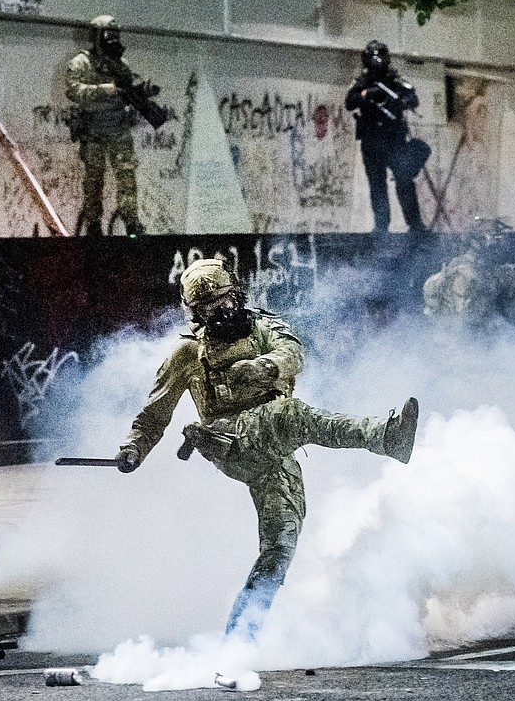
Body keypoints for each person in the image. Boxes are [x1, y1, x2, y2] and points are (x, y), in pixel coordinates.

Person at [115, 259, 418, 639]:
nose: (220, 310)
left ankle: (241, 634)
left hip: (271, 448)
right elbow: (155, 411)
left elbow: (292, 354)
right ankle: (384, 436)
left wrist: (262, 368)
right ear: (195, 312)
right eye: (208, 307)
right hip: (230, 440)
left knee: (281, 542)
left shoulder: (265, 326)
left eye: (224, 299)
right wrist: (134, 448)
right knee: (292, 415)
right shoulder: (188, 354)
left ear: (236, 294)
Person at [65, 14, 158, 237]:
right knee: (94, 180)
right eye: (108, 35)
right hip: (93, 129)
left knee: (127, 177)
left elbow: (130, 87)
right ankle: (94, 224)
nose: (113, 40)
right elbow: (73, 91)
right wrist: (107, 89)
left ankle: (132, 223)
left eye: (115, 35)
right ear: (97, 37)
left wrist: (141, 93)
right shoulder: (81, 63)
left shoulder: (121, 64)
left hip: (117, 127)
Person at [345, 40, 427, 233]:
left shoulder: (395, 81)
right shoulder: (361, 83)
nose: (378, 61)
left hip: (394, 139)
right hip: (372, 139)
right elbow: (350, 102)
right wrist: (367, 94)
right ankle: (382, 225)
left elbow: (413, 98)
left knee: (404, 179)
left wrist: (401, 100)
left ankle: (414, 224)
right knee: (377, 184)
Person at [423, 217, 515, 329]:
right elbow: (464, 319)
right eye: (494, 239)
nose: (499, 244)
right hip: (464, 339)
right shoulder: (466, 273)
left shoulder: (487, 270)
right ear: (476, 243)